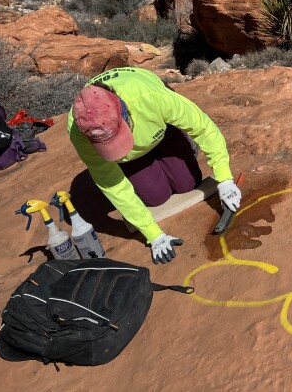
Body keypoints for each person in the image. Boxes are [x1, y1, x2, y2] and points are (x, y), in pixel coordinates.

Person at [67, 67, 241, 265]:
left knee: (188, 184)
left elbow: (203, 128)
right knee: (156, 197)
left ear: (124, 113)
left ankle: (180, 139)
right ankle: (148, 161)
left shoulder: (150, 96)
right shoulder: (79, 132)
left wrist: (224, 179)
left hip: (158, 128)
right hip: (130, 157)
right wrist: (154, 235)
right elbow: (112, 184)